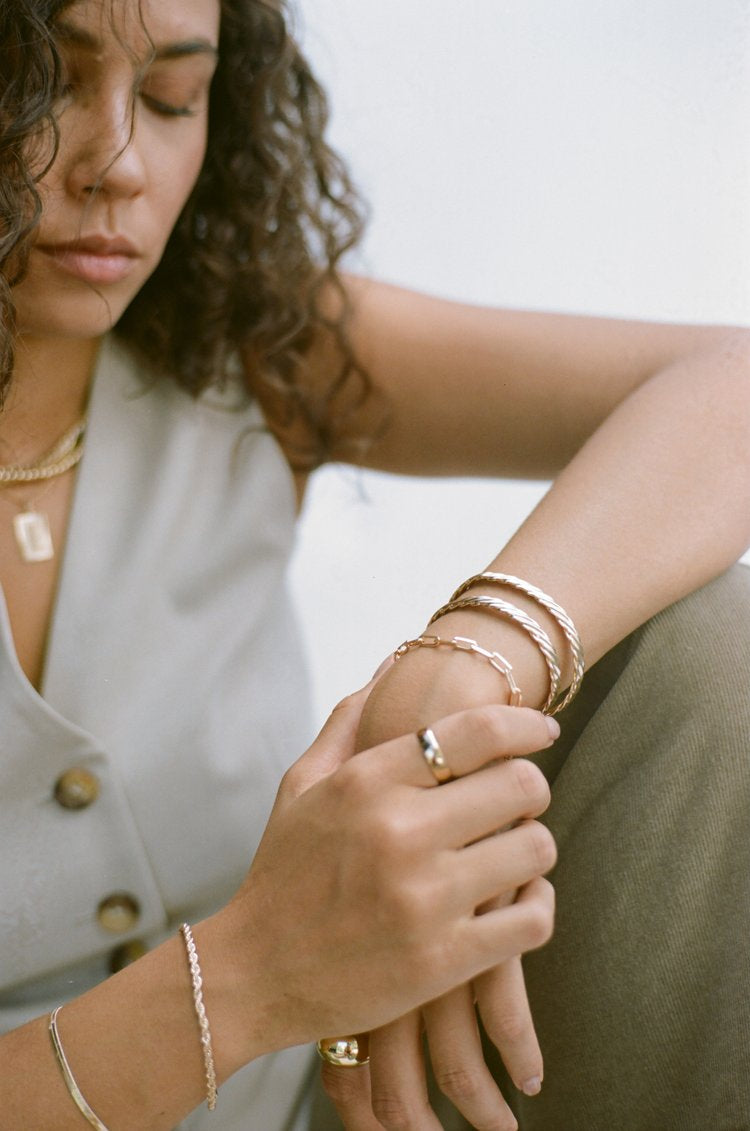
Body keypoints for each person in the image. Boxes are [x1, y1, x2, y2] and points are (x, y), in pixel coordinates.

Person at [0, 1, 748, 1130]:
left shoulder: (247, 350)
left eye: (171, 98)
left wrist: (476, 652)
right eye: (43, 82)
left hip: (344, 1105)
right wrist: (263, 973)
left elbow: (729, 388)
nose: (118, 162)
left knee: (706, 649)